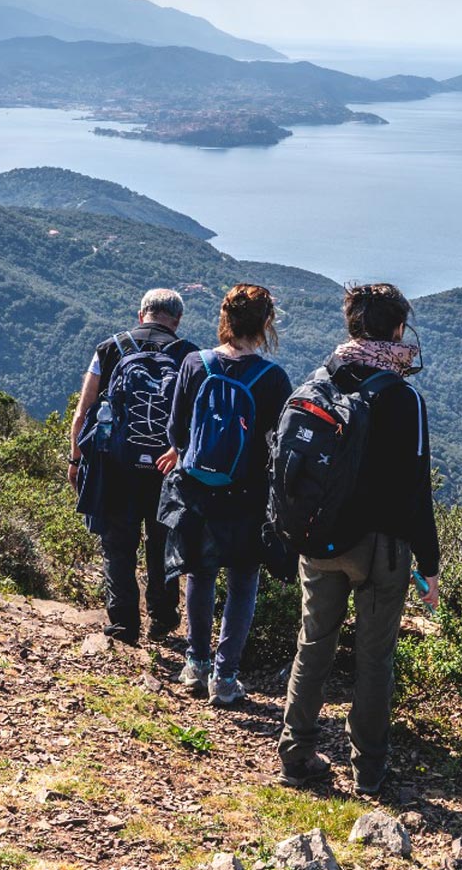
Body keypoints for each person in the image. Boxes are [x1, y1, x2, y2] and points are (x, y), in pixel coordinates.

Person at [277, 283, 438, 794]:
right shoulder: (402, 398)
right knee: (374, 659)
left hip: (318, 539)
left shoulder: (319, 381)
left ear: (351, 325)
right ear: (396, 329)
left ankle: (296, 753)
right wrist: (428, 566)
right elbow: (417, 491)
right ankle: (368, 768)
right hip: (381, 550)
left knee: (313, 645)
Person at [156, 283, 292, 706]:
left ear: (225, 319)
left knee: (199, 572)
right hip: (247, 494)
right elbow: (281, 444)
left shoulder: (196, 364)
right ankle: (225, 676)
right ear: (266, 323)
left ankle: (195, 664)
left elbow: (176, 431)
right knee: (243, 581)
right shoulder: (273, 379)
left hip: (196, 489)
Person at [68, 288, 196, 646]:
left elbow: (83, 411)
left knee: (118, 546)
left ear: (141, 315)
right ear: (177, 320)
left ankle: (123, 625)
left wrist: (75, 460)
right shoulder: (190, 356)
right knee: (162, 544)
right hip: (166, 469)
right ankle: (163, 618)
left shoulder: (110, 349)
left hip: (115, 467)